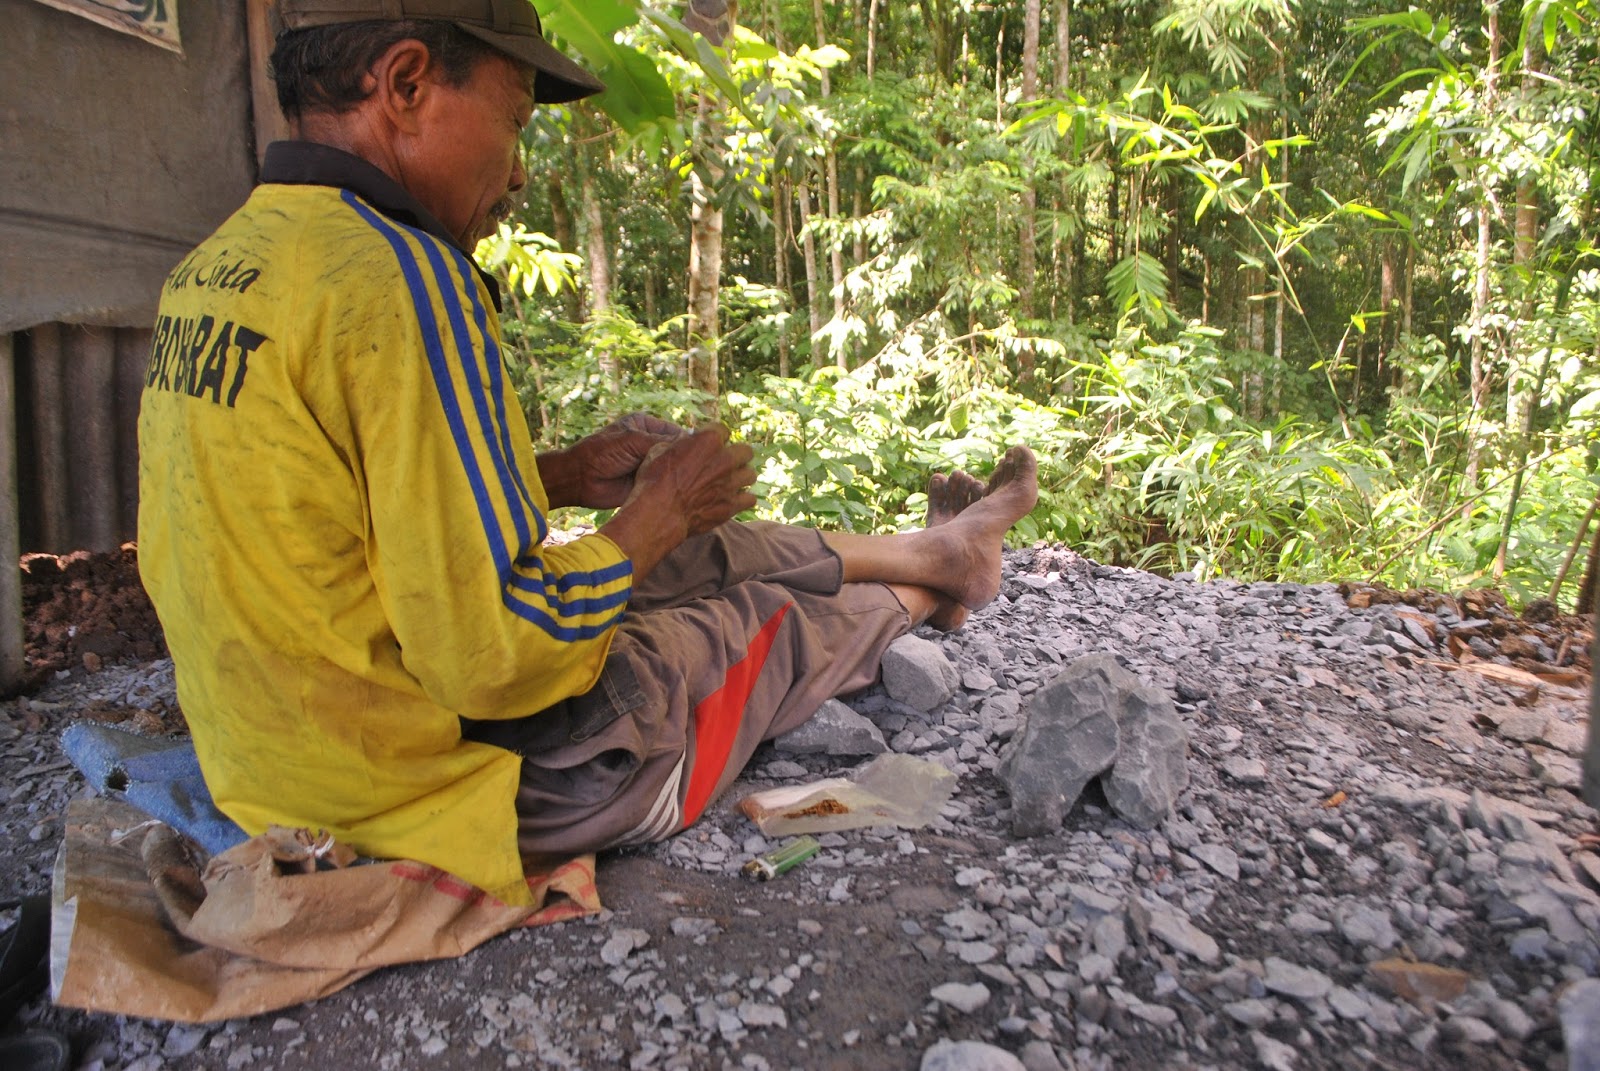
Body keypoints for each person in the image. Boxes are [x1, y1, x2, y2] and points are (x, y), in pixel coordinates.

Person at [136, 0, 1038, 906]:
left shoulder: (218, 266)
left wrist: (565, 476)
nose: (519, 171)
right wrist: (660, 514)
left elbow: (333, 508)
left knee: (688, 553)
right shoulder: (401, 275)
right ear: (406, 85)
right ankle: (926, 594)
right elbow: (493, 656)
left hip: (277, 767)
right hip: (452, 794)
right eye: (514, 121)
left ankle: (938, 554)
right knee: (752, 617)